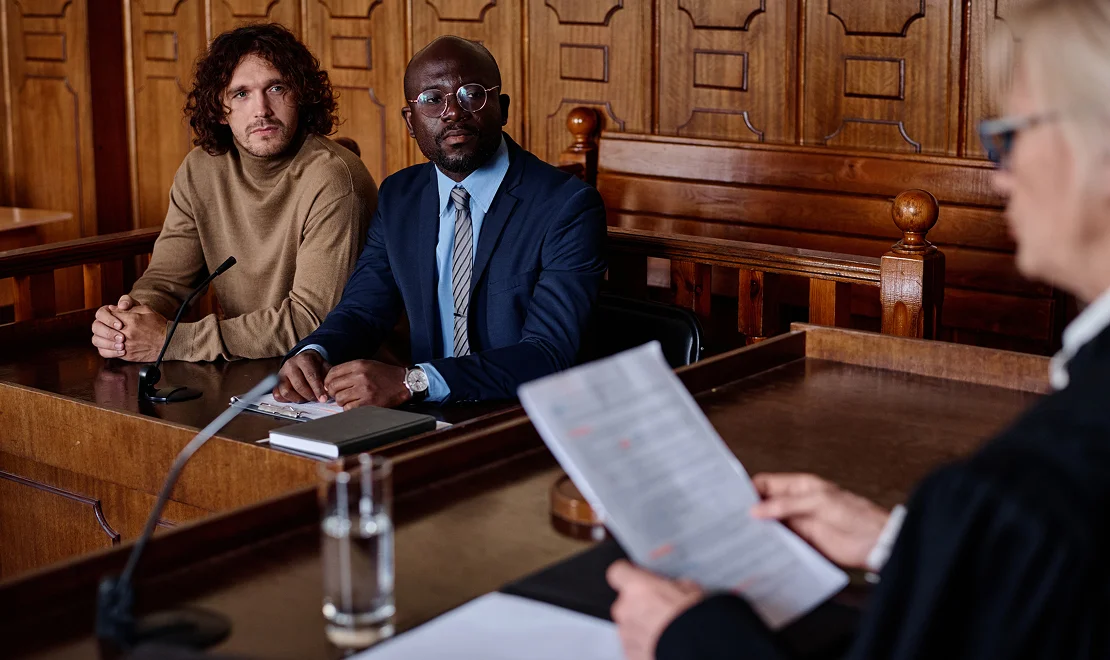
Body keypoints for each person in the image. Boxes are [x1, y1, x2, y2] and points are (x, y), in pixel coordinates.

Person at [607, 0, 1110, 658]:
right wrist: (899, 542)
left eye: (1010, 138)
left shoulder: (1033, 488)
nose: (1000, 177)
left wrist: (689, 637)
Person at [274, 36, 606, 409]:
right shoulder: (400, 197)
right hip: (426, 415)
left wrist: (414, 381)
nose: (453, 113)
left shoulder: (567, 206)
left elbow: (549, 353)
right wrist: (315, 352)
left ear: (503, 108)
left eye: (472, 95)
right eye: (432, 100)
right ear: (410, 122)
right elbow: (363, 310)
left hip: (522, 415)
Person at [90, 24, 377, 363]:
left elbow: (312, 321)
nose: (261, 110)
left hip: (333, 370)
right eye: (241, 94)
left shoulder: (336, 178)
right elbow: (167, 280)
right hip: (244, 365)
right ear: (220, 108)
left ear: (301, 95)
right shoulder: (200, 169)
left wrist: (170, 341)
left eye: (276, 88)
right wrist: (127, 322)